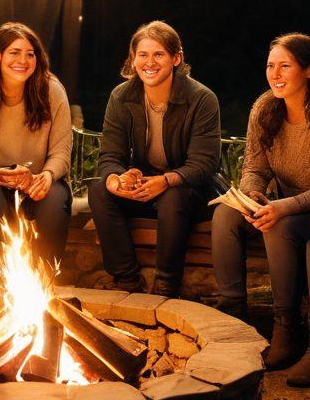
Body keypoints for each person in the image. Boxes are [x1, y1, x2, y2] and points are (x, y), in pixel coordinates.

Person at [211, 33, 310, 386]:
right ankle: (235, 317)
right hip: (285, 202)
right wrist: (253, 195)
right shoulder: (266, 107)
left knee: (277, 225)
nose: (275, 74)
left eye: (285, 66)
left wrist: (280, 207)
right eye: (270, 66)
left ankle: (308, 338)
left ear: (309, 70)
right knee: (225, 215)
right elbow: (255, 167)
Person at [89, 20, 222, 296]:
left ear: (176, 58)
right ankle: (126, 279)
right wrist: (117, 177)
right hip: (146, 186)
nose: (150, 62)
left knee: (174, 196)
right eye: (143, 55)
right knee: (100, 191)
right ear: (133, 59)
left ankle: (165, 283)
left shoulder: (201, 99)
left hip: (191, 191)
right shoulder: (122, 96)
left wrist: (167, 180)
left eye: (159, 54)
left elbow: (205, 163)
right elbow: (110, 155)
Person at [0, 22, 73, 272]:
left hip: (37, 182)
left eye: (30, 54)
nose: (23, 60)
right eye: (14, 52)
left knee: (55, 200)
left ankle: (45, 281)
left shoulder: (52, 91)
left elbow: (61, 152)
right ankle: (5, 282)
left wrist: (47, 176)